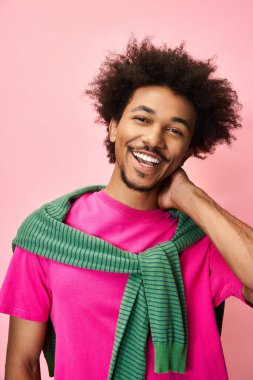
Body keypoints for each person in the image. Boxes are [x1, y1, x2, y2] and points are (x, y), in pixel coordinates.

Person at [0, 37, 253, 380]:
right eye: (142, 119)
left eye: (175, 130)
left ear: (189, 150)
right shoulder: (48, 236)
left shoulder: (203, 239)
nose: (154, 139)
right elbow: (23, 366)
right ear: (114, 125)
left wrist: (192, 197)